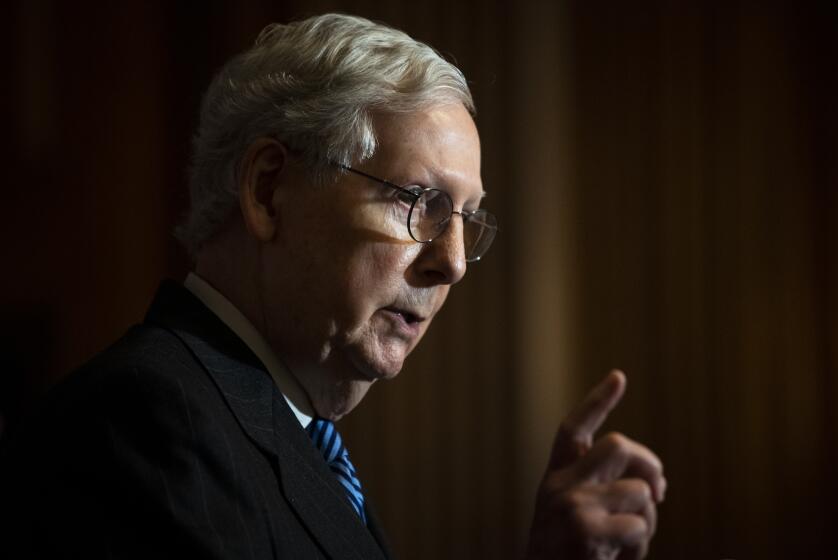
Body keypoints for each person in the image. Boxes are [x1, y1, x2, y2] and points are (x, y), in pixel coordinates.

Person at [1, 13, 665, 560]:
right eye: (420, 202)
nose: (454, 263)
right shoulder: (150, 420)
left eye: (466, 219)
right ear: (268, 190)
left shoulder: (288, 432)